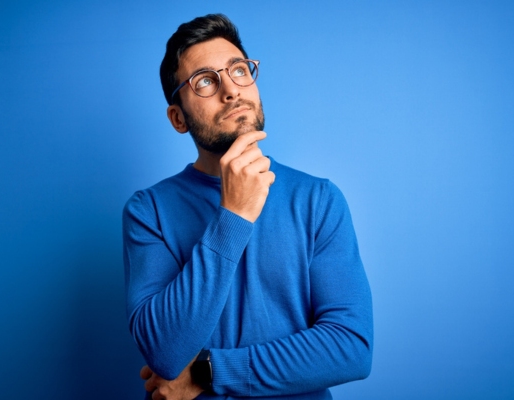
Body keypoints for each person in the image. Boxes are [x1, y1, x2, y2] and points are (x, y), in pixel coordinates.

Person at [123, 13, 373, 400]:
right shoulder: (148, 211)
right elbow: (166, 354)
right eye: (205, 80)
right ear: (178, 118)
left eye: (238, 70)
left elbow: (350, 348)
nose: (230, 90)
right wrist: (234, 215)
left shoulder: (318, 200)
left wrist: (210, 372)